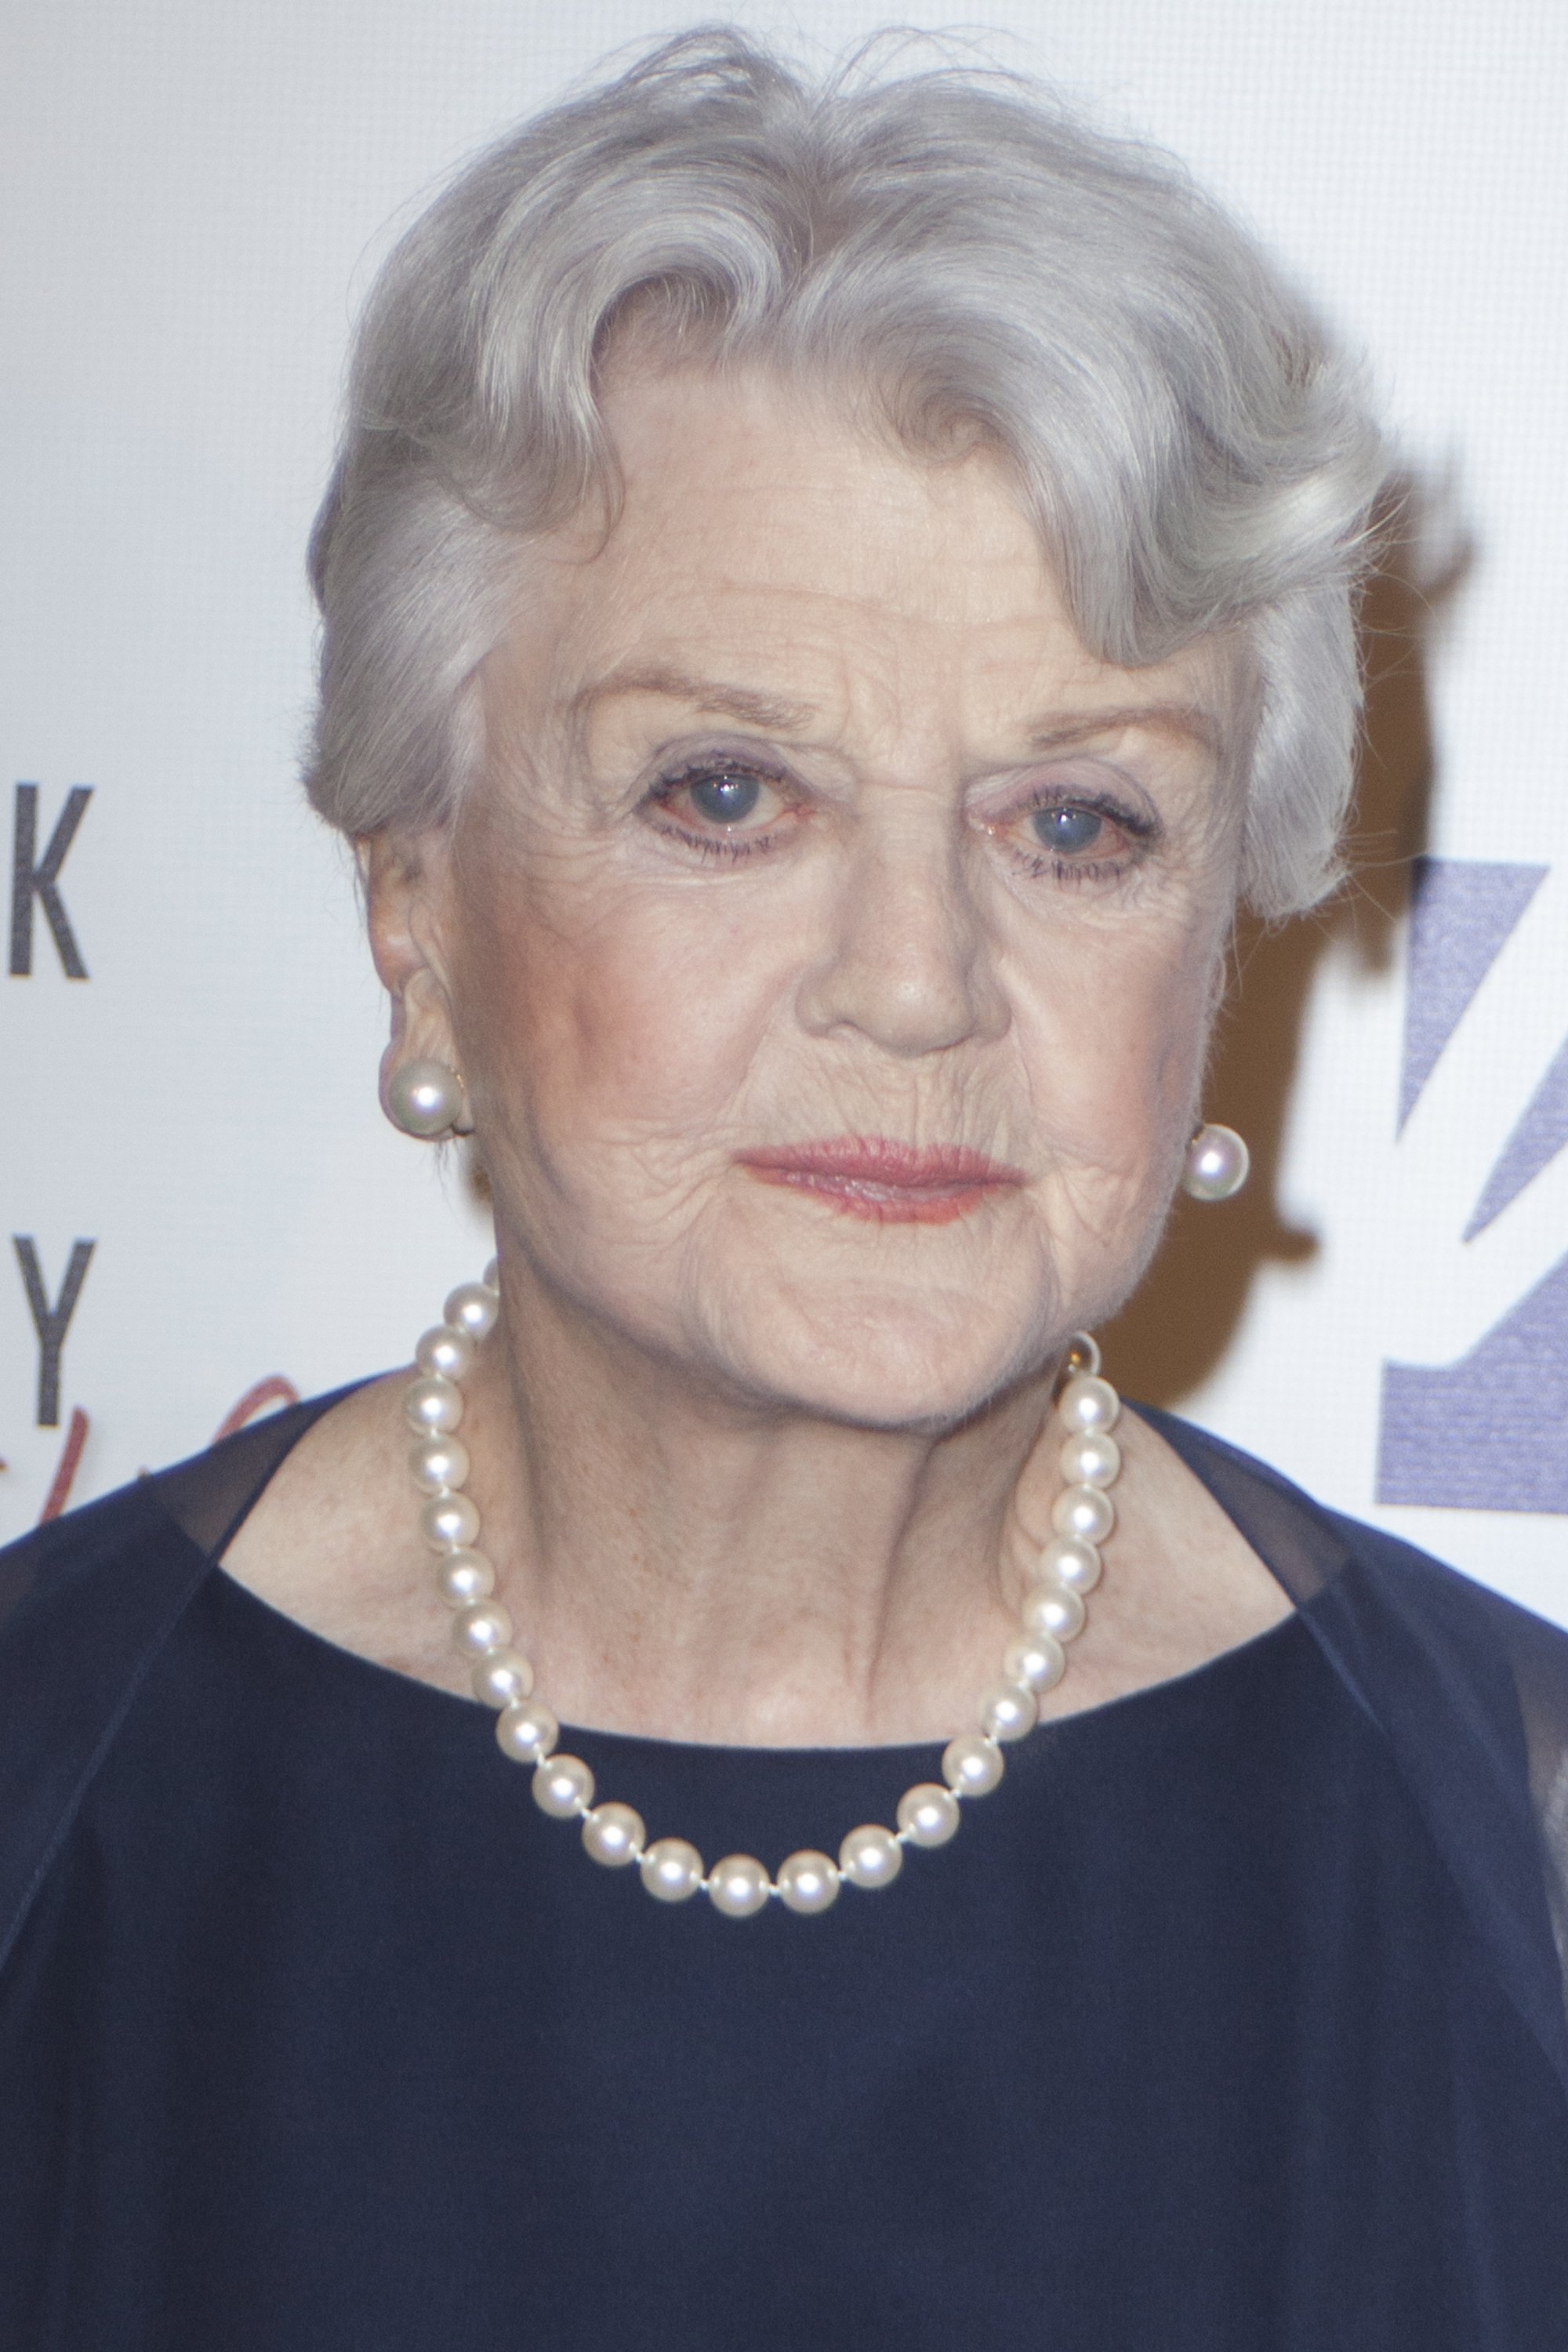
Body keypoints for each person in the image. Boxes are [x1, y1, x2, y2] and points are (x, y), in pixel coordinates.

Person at [3, 27, 1566, 2348]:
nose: (918, 988)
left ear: (1217, 945)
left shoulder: (1519, 1864)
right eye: (727, 795)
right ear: (415, 911)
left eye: (1078, 824)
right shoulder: (50, 1800)